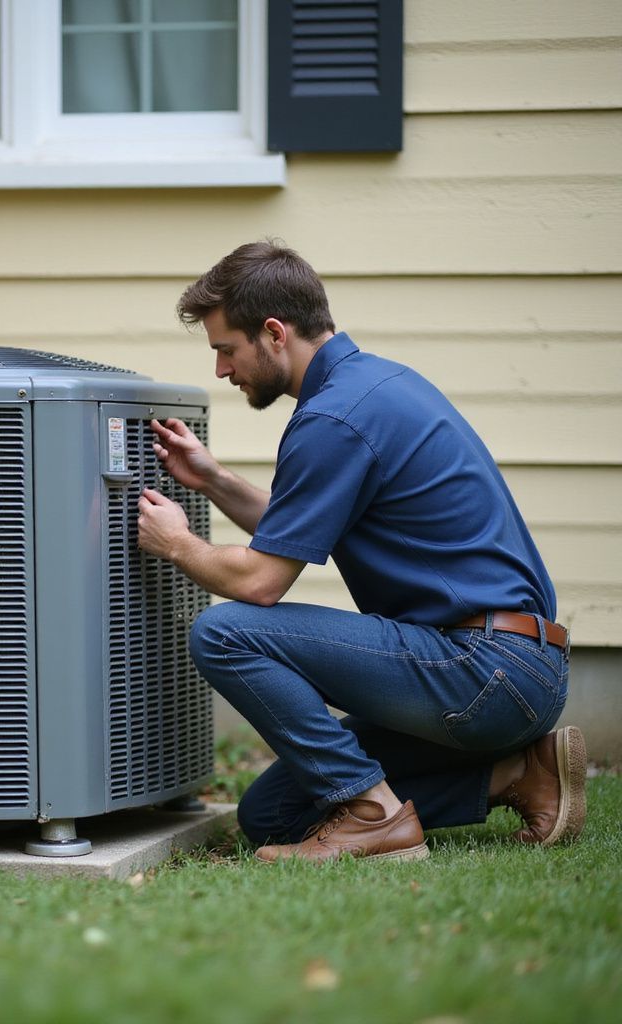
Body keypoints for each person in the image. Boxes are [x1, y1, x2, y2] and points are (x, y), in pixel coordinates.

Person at [136, 241, 585, 864]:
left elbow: (262, 582)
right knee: (272, 815)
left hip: (483, 668)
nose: (220, 370)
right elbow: (294, 526)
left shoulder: (335, 419)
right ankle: (517, 773)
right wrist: (213, 479)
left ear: (273, 333)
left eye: (224, 349)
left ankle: (370, 814)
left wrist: (178, 545)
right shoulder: (374, 385)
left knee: (225, 631)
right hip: (516, 667)